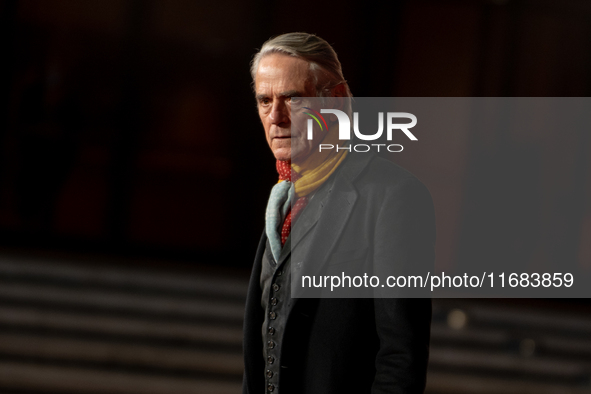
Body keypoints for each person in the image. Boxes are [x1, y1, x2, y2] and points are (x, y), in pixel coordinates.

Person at [242, 32, 436, 394]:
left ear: (337, 101)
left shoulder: (393, 196)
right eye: (264, 101)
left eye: (293, 99)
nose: (276, 117)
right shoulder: (282, 202)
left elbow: (400, 358)